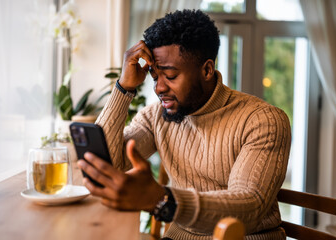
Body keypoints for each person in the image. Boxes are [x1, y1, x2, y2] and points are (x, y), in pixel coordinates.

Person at [77, 9, 291, 240]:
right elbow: (104, 165)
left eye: (170, 75)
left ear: (207, 70)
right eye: (155, 76)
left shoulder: (262, 120)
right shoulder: (156, 116)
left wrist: (162, 199)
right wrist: (123, 88)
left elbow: (248, 207)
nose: (159, 87)